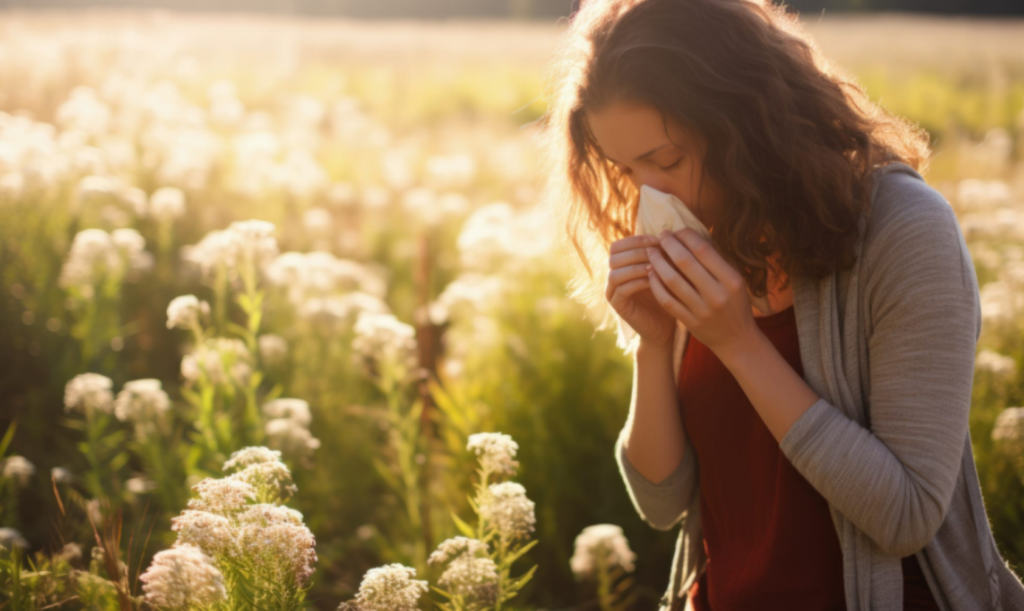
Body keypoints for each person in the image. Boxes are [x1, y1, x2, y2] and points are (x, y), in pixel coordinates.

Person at [533, 0, 1024, 609]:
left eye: (666, 161)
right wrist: (655, 346)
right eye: (628, 170)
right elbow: (662, 503)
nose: (648, 196)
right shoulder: (706, 240)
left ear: (746, 123)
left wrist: (739, 344)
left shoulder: (905, 231)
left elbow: (906, 515)